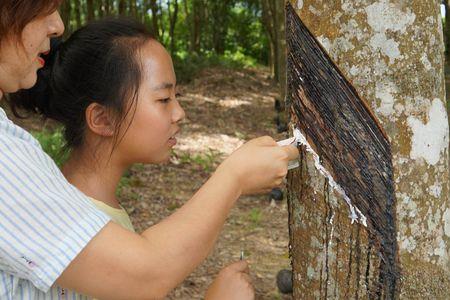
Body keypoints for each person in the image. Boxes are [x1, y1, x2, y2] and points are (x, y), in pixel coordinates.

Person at [0, 1, 299, 299]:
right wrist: (234, 177)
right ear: (102, 118)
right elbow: (146, 272)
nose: (58, 25)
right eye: (163, 99)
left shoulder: (90, 214)